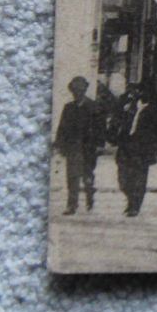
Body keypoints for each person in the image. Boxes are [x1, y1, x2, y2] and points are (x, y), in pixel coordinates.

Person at [53, 76, 103, 215]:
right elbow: (62, 128)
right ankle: (72, 205)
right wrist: (59, 144)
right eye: (74, 91)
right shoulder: (69, 108)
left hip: (89, 148)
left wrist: (99, 144)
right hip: (73, 148)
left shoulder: (93, 107)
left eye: (80, 90)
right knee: (72, 177)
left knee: (87, 175)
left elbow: (100, 127)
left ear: (84, 90)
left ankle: (89, 197)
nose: (77, 93)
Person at [114, 83, 157, 216]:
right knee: (123, 180)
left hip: (142, 150)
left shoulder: (156, 111)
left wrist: (154, 151)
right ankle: (130, 200)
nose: (140, 94)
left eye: (144, 92)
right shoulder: (129, 107)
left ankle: (134, 206)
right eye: (139, 92)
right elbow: (118, 123)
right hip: (125, 147)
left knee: (139, 179)